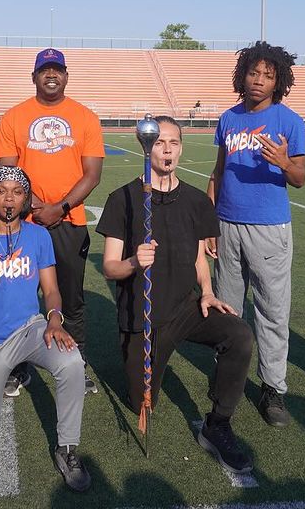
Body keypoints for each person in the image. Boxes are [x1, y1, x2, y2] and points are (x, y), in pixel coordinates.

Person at [98, 117, 255, 474]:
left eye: (174, 142)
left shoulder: (198, 200)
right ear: (146, 147)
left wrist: (208, 291)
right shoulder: (123, 198)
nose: (167, 149)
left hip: (186, 307)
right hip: (144, 314)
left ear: (181, 148)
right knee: (142, 403)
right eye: (159, 142)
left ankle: (218, 424)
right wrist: (134, 262)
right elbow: (109, 267)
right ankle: (138, 367)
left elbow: (199, 255)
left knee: (239, 334)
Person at [0, 166, 91, 492]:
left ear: (26, 198)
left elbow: (52, 290)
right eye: (1, 191)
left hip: (30, 330)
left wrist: (55, 320)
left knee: (71, 361)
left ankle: (67, 448)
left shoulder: (38, 235)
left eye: (17, 191)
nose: (9, 198)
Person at [206, 42, 305, 427]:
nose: (258, 80)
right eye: (253, 72)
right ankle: (228, 377)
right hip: (227, 225)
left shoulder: (289, 121)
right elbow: (218, 172)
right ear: (242, 75)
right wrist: (209, 225)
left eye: (267, 75)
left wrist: (283, 163)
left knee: (271, 311)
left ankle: (272, 388)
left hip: (269, 229)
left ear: (279, 80)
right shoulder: (228, 119)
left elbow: (300, 178)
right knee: (227, 310)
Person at [0, 48, 105, 396]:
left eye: (57, 69)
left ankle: (75, 364)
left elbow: (93, 173)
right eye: (45, 70)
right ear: (34, 77)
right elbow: (5, 171)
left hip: (69, 222)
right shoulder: (14, 117)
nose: (51, 75)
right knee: (21, 297)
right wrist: (35, 206)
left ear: (66, 76)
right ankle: (19, 366)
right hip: (23, 223)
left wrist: (60, 206)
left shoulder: (85, 117)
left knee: (70, 298)